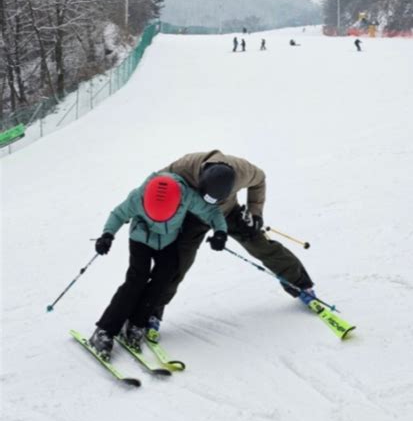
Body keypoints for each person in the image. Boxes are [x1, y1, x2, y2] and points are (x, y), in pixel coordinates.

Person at [147, 151, 314, 341]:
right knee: (177, 263)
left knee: (261, 246)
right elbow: (155, 185)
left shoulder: (242, 171)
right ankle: (150, 311)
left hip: (228, 213)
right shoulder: (183, 167)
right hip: (192, 217)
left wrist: (255, 213)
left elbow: (259, 180)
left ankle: (301, 285)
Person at [89, 172, 227, 361]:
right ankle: (104, 330)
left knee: (163, 280)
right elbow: (119, 214)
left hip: (168, 241)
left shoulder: (186, 195)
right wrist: (107, 235)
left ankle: (136, 323)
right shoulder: (138, 196)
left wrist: (220, 231)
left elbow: (212, 211)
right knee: (136, 280)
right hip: (141, 239)